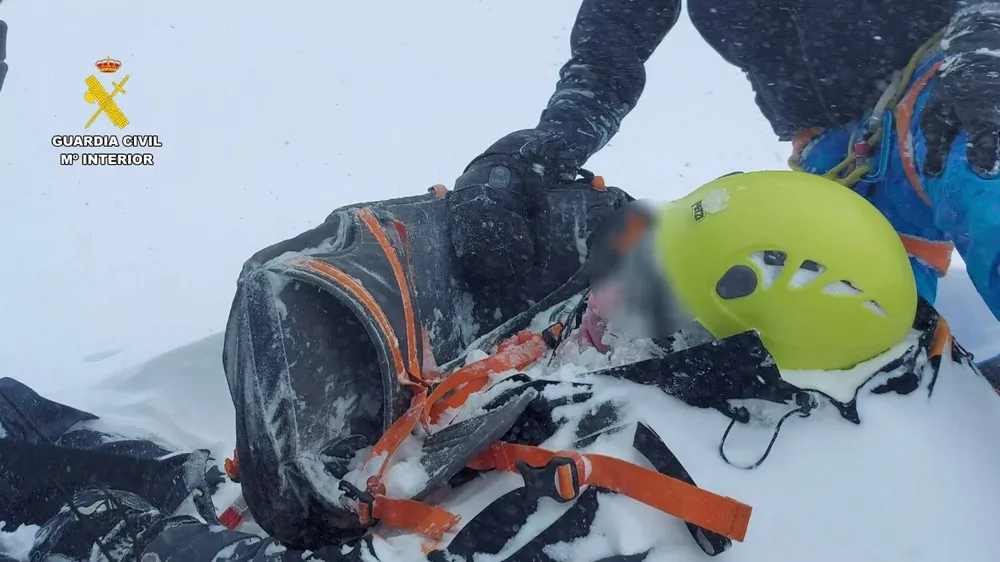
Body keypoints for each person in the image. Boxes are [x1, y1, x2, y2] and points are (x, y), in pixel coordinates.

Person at [447, 0, 1000, 323]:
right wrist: (547, 148)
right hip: (834, 158)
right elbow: (605, 59)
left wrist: (988, 33)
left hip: (951, 85)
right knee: (853, 329)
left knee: (986, 187)